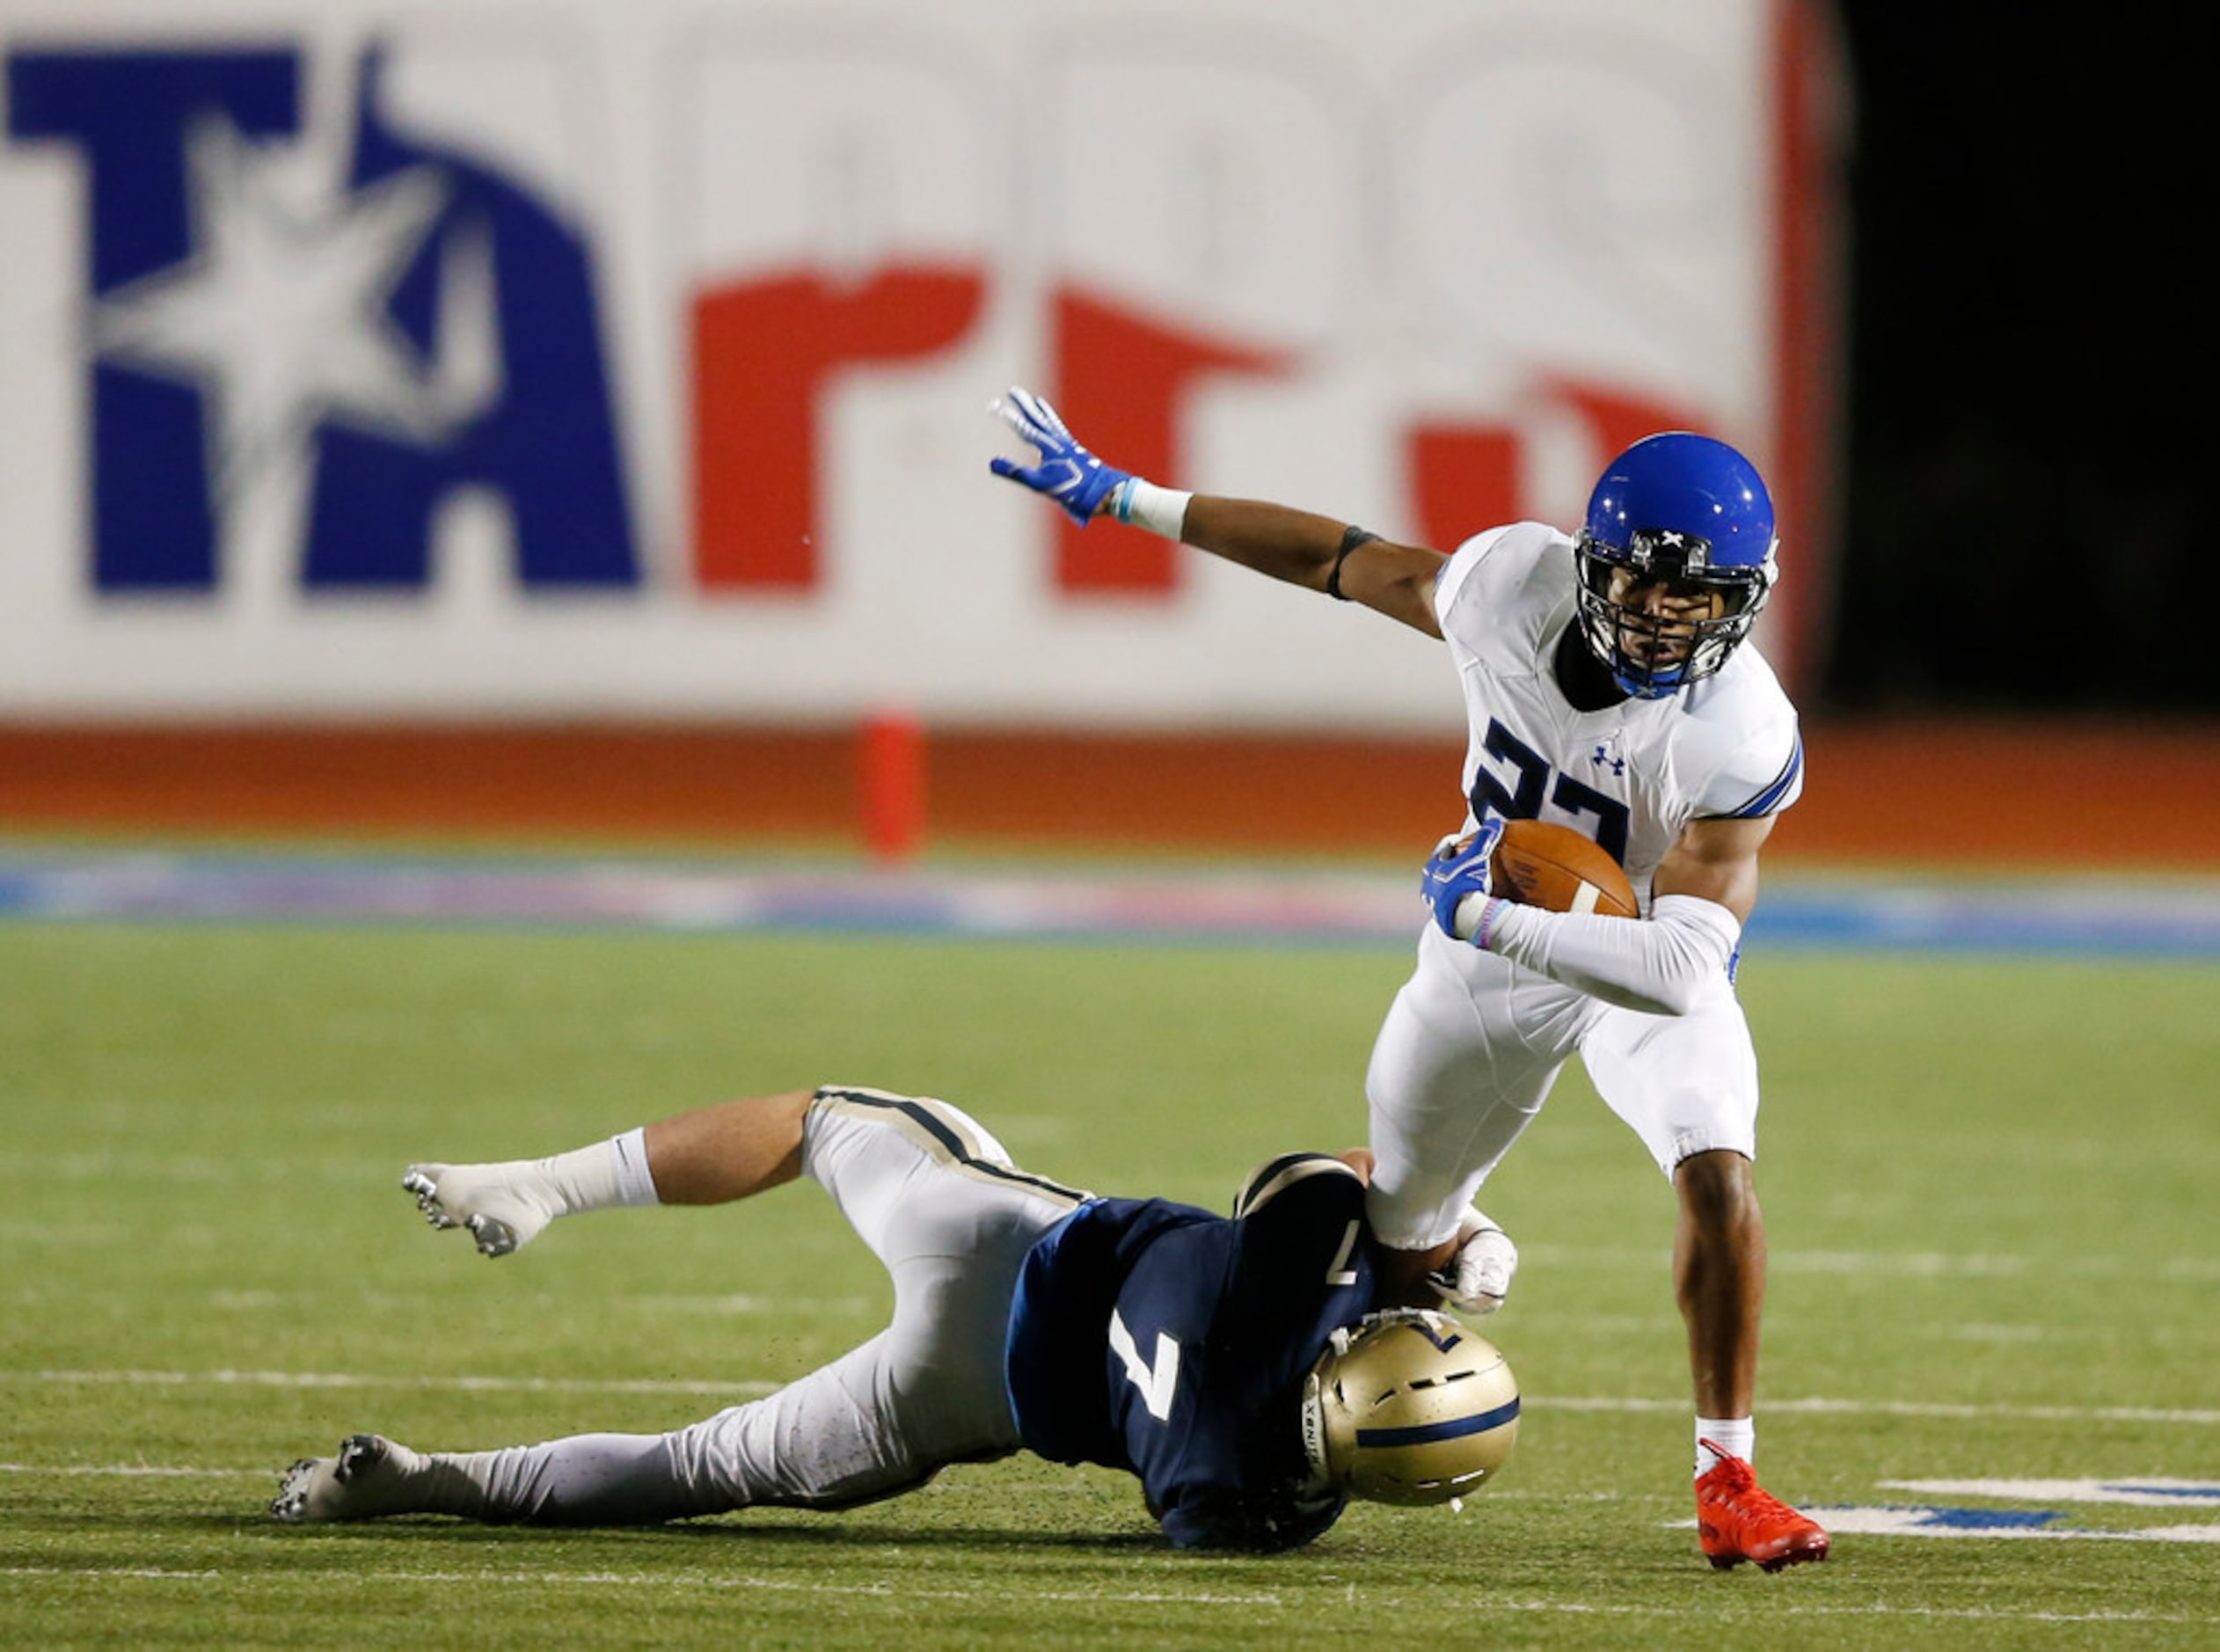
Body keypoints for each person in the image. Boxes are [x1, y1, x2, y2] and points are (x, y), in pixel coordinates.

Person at [989, 387, 1829, 1572]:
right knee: (1399, 1250)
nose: (1660, 620)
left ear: (1744, 601)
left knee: (1716, 1169)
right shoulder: (1505, 590)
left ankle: (1729, 1477)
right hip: (1482, 968)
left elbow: (1686, 967)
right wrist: (1129, 496)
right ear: (1592, 567)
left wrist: (1490, 910)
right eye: (1641, 585)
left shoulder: (1739, 728)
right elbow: (1340, 559)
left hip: (1620, 958)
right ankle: (1297, 1411)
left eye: (1694, 598)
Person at [269, 1083, 1520, 1551]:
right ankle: (427, 1484)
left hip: (990, 1234)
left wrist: (1443, 1245)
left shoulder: (1297, 1286)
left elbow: (1342, 1176)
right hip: (965, 1400)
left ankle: (544, 1184)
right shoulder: (1242, 1502)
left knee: (820, 1119)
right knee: (701, 1469)